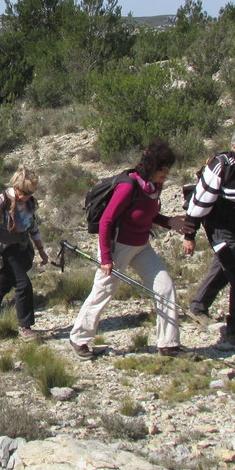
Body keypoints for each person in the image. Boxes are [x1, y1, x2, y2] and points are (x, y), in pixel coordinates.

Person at [69, 141, 190, 361]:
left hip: (142, 245)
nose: (166, 174)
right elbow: (106, 221)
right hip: (117, 248)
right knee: (103, 292)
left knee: (165, 287)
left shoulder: (154, 187)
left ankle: (169, 344)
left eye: (167, 170)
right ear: (152, 167)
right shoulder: (128, 186)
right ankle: (78, 338)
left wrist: (168, 222)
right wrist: (106, 258)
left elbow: (146, 215)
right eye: (163, 170)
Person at [183, 127, 235, 349]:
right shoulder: (222, 166)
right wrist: (189, 235)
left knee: (224, 268)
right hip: (219, 227)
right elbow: (198, 203)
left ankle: (198, 306)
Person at [0, 166, 49, 340]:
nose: (29, 196)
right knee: (23, 284)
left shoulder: (29, 203)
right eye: (26, 193)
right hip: (2, 249)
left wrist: (41, 250)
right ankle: (25, 327)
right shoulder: (1, 202)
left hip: (20, 247)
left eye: (32, 192)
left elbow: (33, 227)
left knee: (4, 283)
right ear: (16, 188)